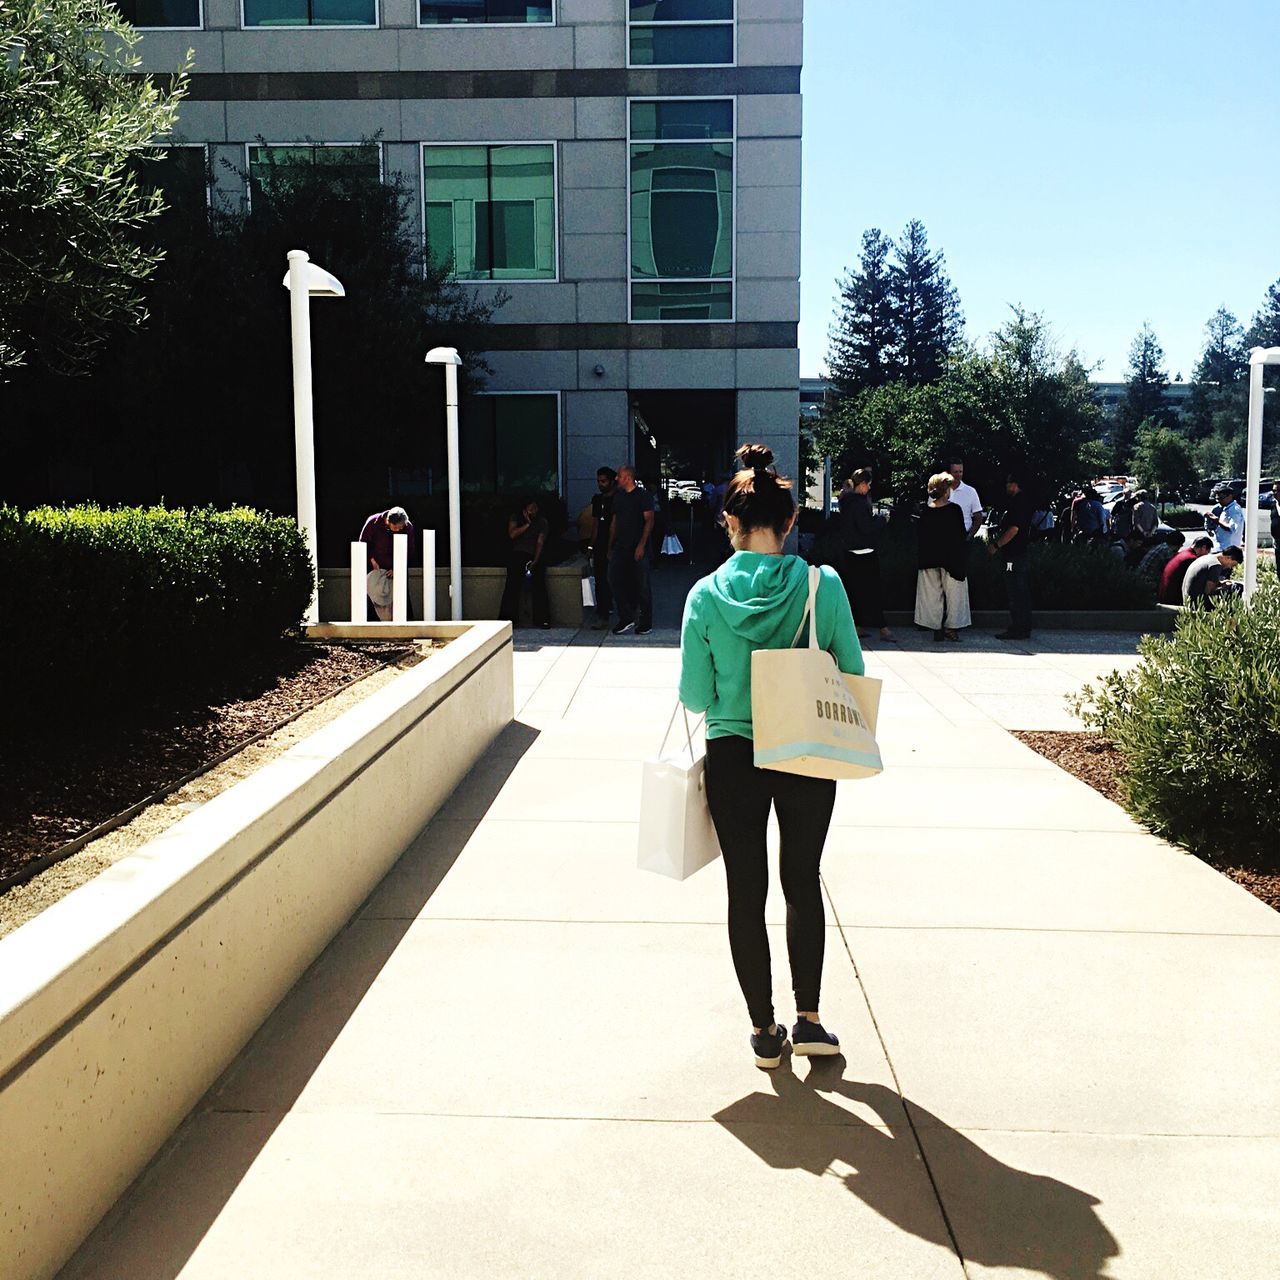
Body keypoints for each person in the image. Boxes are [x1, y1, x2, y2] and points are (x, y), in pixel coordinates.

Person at [679, 443, 863, 1070]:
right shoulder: (823, 584)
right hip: (806, 745)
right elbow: (853, 671)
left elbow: (695, 695)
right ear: (789, 522)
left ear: (729, 523)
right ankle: (810, 1019)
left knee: (745, 890)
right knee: (802, 883)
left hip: (733, 753)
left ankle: (764, 1031)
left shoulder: (704, 595)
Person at [915, 472, 971, 641]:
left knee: (931, 595)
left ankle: (935, 626)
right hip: (951, 558)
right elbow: (960, 535)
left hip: (929, 558)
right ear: (946, 490)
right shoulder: (954, 510)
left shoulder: (924, 511)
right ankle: (952, 628)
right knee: (955, 595)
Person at [837, 467, 891, 641]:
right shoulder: (860, 503)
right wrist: (882, 520)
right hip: (866, 551)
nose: (868, 488)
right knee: (874, 591)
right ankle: (883, 628)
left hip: (850, 551)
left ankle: (857, 625)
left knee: (854, 591)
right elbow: (867, 528)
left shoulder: (845, 501)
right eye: (868, 485)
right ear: (861, 485)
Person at [608, 463, 654, 636]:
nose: (616, 479)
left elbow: (649, 520)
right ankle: (626, 617)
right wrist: (610, 545)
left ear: (627, 477)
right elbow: (614, 522)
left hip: (637, 546)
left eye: (619, 476)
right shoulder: (618, 497)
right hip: (621, 546)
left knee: (642, 584)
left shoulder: (643, 496)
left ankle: (646, 622)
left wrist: (642, 544)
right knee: (613, 579)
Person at [987, 471, 1034, 640]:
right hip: (1019, 553)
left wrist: (996, 545)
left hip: (1013, 555)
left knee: (1015, 589)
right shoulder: (1024, 502)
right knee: (1019, 590)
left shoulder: (1017, 504)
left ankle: (1018, 627)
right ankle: (1022, 626)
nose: (1006, 486)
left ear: (1015, 484)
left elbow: (1014, 529)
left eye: (1008, 483)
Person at [499, 498, 550, 629]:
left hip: (533, 554)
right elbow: (512, 534)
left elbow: (540, 542)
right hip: (518, 553)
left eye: (535, 508)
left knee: (539, 585)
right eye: (530, 508)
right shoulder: (516, 518)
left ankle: (542, 618)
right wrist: (527, 524)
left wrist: (536, 560)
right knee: (512, 585)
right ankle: (507, 618)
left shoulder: (542, 522)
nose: (533, 511)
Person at [359, 505, 416, 621]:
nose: (399, 529)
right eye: (396, 527)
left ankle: (405, 624)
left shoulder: (408, 527)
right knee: (371, 595)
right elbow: (363, 542)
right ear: (387, 521)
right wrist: (371, 559)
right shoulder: (373, 522)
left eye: (401, 527)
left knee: (401, 596)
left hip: (396, 568)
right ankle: (372, 624)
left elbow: (410, 550)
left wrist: (398, 568)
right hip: (374, 567)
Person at [589, 467, 617, 630]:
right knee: (600, 580)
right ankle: (603, 613)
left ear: (612, 481)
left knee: (614, 579)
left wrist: (610, 547)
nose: (600, 484)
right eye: (599, 481)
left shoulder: (618, 499)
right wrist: (591, 545)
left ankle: (616, 608)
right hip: (600, 543)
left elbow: (615, 524)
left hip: (615, 543)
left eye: (604, 481)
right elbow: (595, 524)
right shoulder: (597, 500)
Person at [1158, 535, 1213, 604]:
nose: (1206, 555)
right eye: (1207, 552)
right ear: (1203, 548)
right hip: (1172, 599)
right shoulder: (1191, 559)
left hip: (1164, 594)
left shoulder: (1182, 553)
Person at [946, 457, 985, 536]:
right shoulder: (939, 490)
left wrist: (969, 536)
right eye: (955, 472)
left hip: (962, 537)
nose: (958, 475)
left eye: (960, 472)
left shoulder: (970, 492)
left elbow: (978, 518)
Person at [1205, 483, 1244, 551]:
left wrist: (1217, 521)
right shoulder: (1226, 508)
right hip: (1222, 546)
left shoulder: (1234, 509)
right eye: (1217, 499)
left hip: (1229, 548)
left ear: (1230, 496)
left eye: (1221, 498)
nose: (1219, 501)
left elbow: (1232, 528)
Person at [1271, 481, 1280, 581]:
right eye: (1274, 491)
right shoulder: (1273, 505)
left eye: (1278, 491)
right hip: (1277, 542)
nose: (1275, 493)